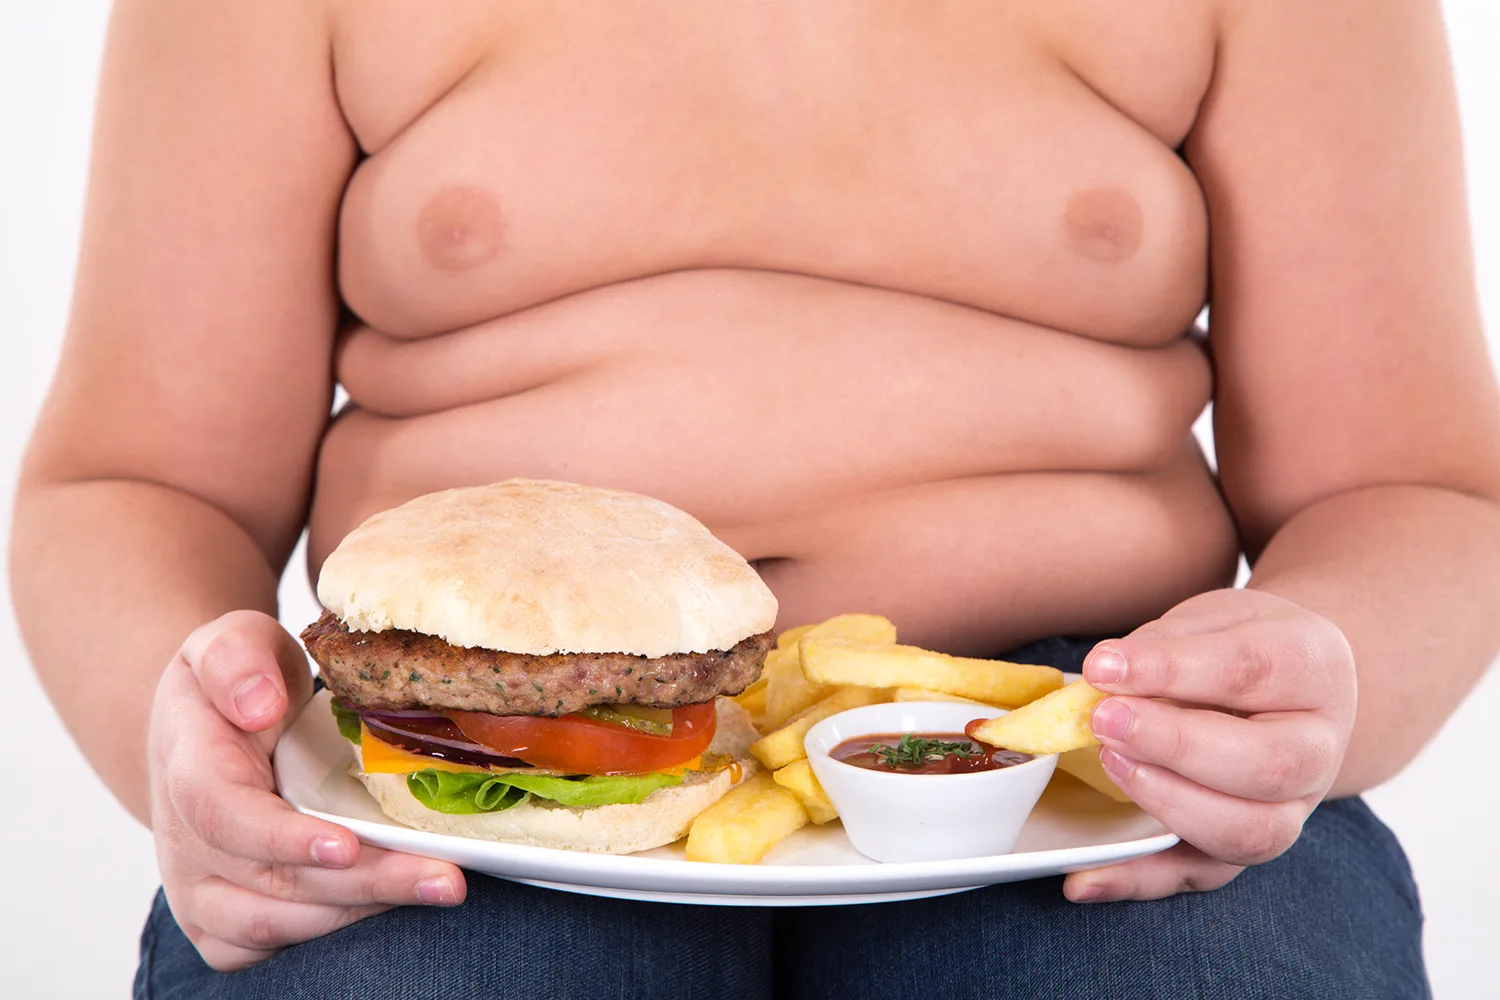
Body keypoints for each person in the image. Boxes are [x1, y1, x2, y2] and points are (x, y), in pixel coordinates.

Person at [10, 0, 1498, 996]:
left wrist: (1304, 684)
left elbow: (1409, 483)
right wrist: (195, 724)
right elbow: (141, 473)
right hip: (460, 753)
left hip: (1083, 747)